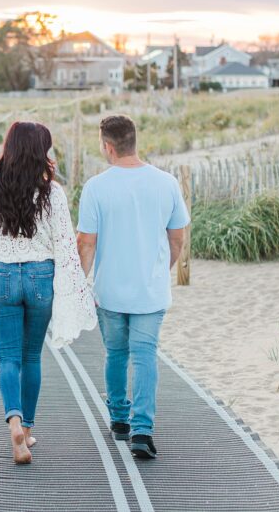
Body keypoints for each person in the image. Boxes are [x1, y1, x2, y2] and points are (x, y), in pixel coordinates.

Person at [0, 121, 96, 465]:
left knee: (7, 358)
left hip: (2, 276)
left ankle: (14, 423)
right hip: (39, 277)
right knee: (32, 357)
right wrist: (75, 287)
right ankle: (30, 428)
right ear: (41, 152)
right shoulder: (53, 192)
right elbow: (65, 245)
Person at [76, 115, 190, 460]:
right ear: (133, 141)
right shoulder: (166, 182)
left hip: (110, 290)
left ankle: (119, 418)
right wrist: (160, 269)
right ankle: (143, 429)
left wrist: (81, 284)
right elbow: (177, 237)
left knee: (116, 354)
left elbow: (86, 243)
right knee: (144, 356)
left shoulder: (96, 187)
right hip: (150, 291)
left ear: (108, 146)